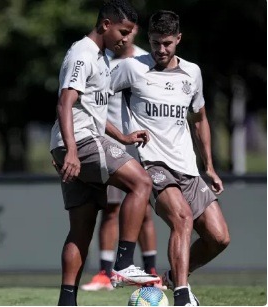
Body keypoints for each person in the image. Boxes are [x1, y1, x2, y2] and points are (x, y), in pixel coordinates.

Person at [109, 10, 230, 306]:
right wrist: (117, 135)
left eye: (166, 43)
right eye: (154, 43)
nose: (160, 50)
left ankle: (174, 278)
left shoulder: (192, 73)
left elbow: (200, 119)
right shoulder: (130, 68)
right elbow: (92, 96)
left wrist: (209, 167)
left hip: (188, 167)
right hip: (153, 164)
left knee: (219, 238)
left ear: (178, 39)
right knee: (182, 218)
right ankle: (182, 297)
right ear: (148, 40)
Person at [50, 1, 160, 305]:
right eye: (123, 32)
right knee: (142, 182)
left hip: (76, 142)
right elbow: (65, 103)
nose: (126, 39)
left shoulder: (101, 58)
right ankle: (124, 262)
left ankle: (66, 301)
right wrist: (71, 149)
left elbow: (93, 110)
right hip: (81, 143)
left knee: (81, 230)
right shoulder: (82, 55)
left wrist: (122, 136)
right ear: (105, 25)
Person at [80, 26, 163, 292]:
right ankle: (106, 274)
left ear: (136, 32)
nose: (124, 36)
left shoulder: (143, 61)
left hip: (138, 145)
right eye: (121, 30)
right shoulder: (102, 62)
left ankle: (150, 270)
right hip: (106, 145)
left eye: (129, 31)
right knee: (110, 210)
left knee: (144, 210)